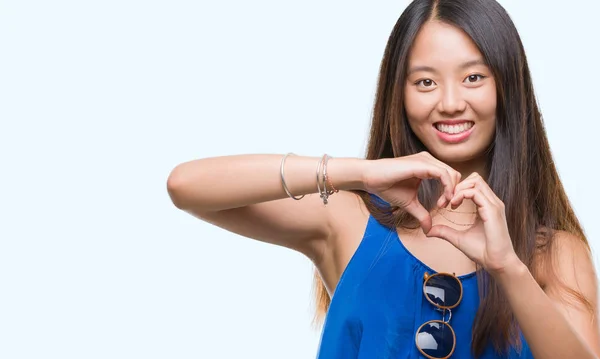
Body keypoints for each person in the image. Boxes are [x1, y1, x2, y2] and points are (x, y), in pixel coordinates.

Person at [166, 0, 600, 358]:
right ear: (400, 92)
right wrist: (359, 173)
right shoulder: (349, 219)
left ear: (507, 86)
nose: (450, 102)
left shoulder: (556, 255)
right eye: (425, 81)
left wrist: (508, 268)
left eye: (473, 77)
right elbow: (187, 187)